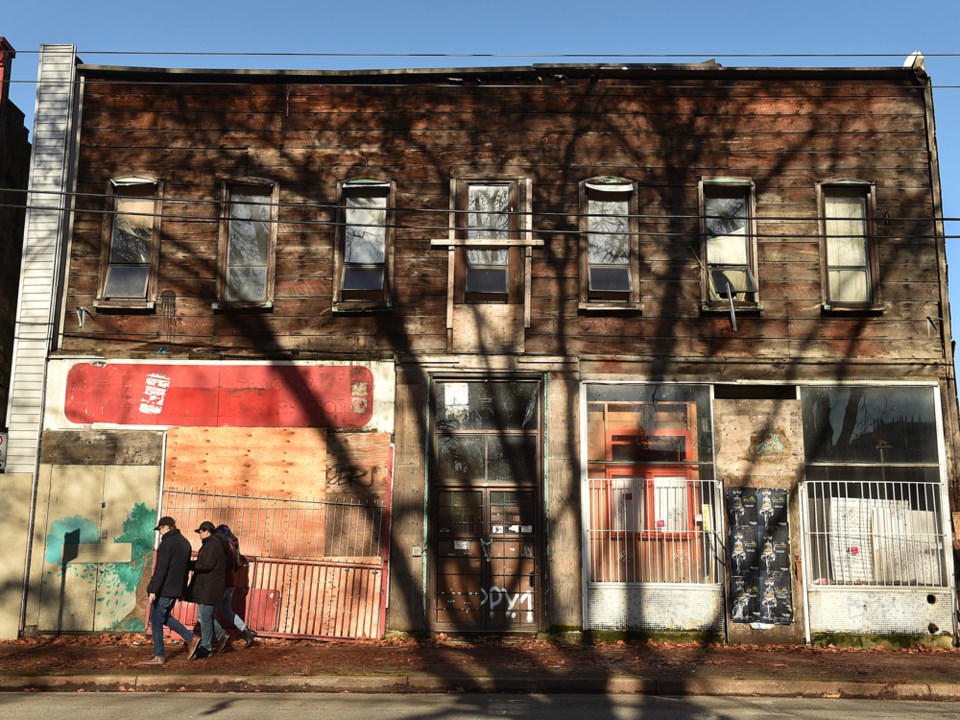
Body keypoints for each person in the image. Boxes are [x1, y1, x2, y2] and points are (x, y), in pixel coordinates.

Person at [142, 516, 195, 664]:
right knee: (163, 617)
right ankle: (192, 638)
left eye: (160, 529)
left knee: (156, 619)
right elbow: (185, 570)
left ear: (166, 527)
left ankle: (159, 655)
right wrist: (182, 591)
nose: (160, 532)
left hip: (164, 589)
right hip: (175, 589)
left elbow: (161, 569)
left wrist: (153, 590)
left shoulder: (167, 543)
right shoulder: (185, 543)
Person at [186, 520, 230, 660]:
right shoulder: (213, 544)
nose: (199, 534)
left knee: (204, 618)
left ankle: (206, 647)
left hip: (209, 587)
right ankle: (222, 635)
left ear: (207, 531)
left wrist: (190, 565)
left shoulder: (213, 545)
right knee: (206, 616)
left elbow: (206, 564)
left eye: (200, 531)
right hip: (209, 586)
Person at [215, 524, 257, 648]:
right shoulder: (234, 546)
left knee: (209, 612)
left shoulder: (224, 546)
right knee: (226, 610)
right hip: (232, 582)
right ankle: (247, 632)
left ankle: (221, 636)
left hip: (223, 582)